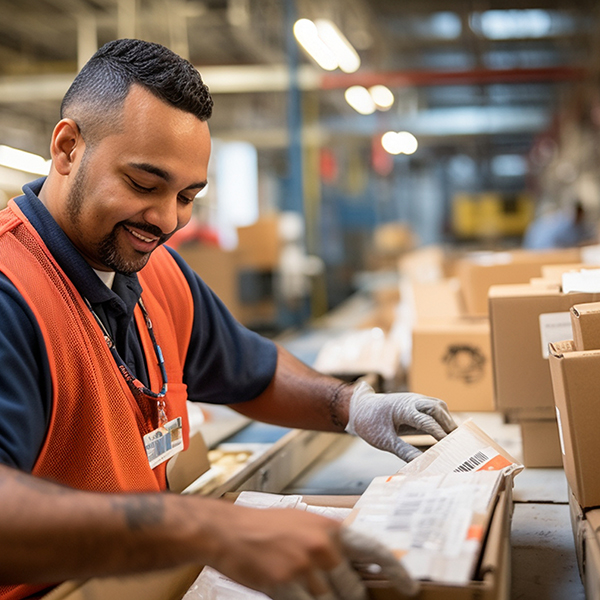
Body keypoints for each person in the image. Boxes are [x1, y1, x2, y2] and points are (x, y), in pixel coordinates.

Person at [0, 39, 457, 600]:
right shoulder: (11, 291)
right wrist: (211, 528)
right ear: (68, 148)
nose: (167, 220)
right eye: (145, 185)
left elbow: (251, 369)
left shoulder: (155, 272)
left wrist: (353, 406)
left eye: (188, 196)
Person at [523, 200, 596, 249]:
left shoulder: (559, 218)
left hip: (532, 249)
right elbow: (574, 244)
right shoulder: (565, 224)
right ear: (578, 214)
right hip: (544, 251)